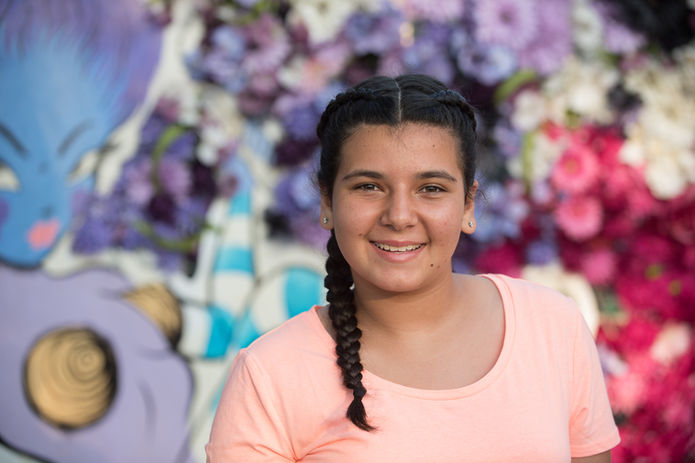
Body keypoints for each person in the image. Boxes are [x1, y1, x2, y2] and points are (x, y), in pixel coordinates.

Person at [205, 74, 620, 462]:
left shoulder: (552, 326)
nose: (399, 216)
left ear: (468, 205)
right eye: (369, 187)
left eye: (431, 189)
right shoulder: (270, 375)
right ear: (328, 202)